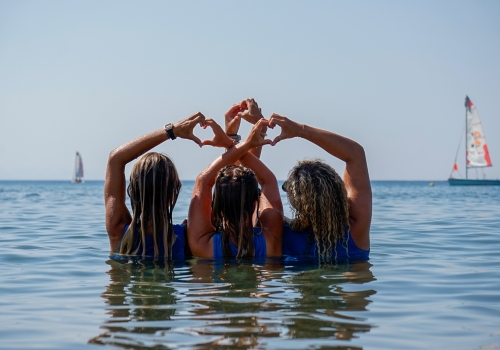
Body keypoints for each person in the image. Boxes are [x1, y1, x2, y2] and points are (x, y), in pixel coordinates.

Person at [268, 113, 371, 262]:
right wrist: (300, 130)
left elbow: (242, 185)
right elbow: (355, 153)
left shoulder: (277, 231)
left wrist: (252, 136)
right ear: (337, 189)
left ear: (297, 201)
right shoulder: (356, 229)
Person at [104, 112, 206, 260]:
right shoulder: (190, 237)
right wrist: (232, 138)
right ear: (173, 193)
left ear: (132, 191)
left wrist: (172, 131)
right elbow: (230, 192)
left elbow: (115, 158)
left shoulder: (118, 230)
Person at [187, 117, 283, 259]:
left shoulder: (202, 245)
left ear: (216, 205)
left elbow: (203, 180)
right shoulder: (271, 239)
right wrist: (230, 142)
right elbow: (268, 181)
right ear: (256, 202)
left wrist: (233, 142)